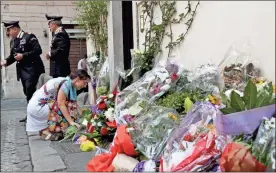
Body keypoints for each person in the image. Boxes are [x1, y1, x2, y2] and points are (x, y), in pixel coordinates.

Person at [26, 69, 91, 141]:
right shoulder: (65, 84)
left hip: (43, 104)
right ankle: (52, 129)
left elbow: (75, 103)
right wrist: (71, 122)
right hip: (38, 107)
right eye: (85, 83)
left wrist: (85, 117)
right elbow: (61, 104)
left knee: (71, 105)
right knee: (68, 105)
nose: (85, 86)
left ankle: (48, 131)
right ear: (78, 79)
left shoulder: (70, 84)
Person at [0, 21, 45, 122]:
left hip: (33, 69)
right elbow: (13, 57)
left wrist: (23, 55)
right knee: (27, 92)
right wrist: (5, 62)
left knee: (30, 90)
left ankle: (34, 115)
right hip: (23, 71)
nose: (8, 33)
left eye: (9, 30)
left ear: (15, 29)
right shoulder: (13, 41)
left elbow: (38, 51)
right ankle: (31, 113)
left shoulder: (29, 37)